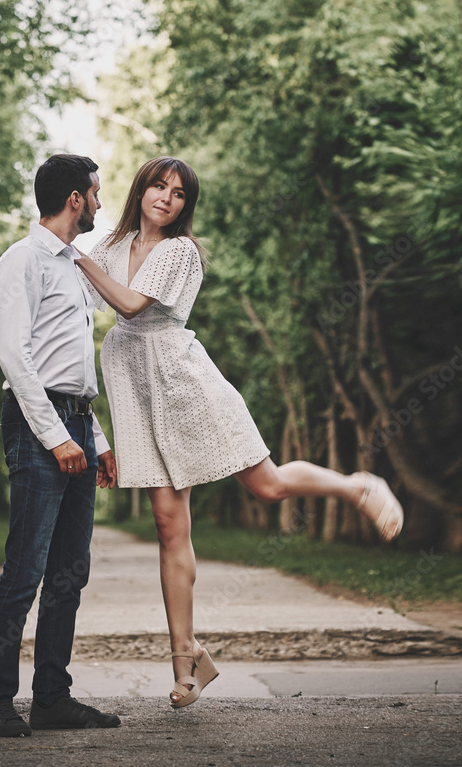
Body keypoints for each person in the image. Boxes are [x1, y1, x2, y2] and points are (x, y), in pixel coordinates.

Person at [74, 155, 404, 709]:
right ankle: (188, 662)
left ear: (185, 206)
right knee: (167, 523)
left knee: (267, 485)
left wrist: (76, 261)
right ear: (141, 189)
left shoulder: (179, 252)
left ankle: (358, 485)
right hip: (137, 390)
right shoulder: (107, 246)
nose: (167, 198)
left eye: (179, 193)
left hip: (186, 382)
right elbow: (80, 310)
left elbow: (129, 306)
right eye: (159, 185)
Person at [0, 154, 120, 737]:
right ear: (76, 198)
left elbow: (73, 367)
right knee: (25, 569)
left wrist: (96, 438)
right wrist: (57, 437)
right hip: (39, 427)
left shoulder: (76, 270)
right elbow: (16, 356)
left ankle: (52, 699)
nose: (102, 203)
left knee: (69, 571)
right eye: (97, 193)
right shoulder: (22, 260)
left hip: (77, 423)